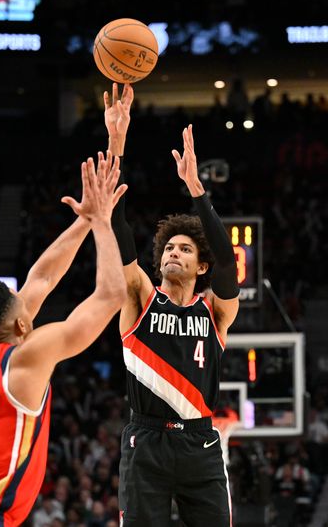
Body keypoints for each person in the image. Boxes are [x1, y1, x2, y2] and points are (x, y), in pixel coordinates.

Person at [0, 153, 127, 527]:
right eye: (25, 309)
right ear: (20, 325)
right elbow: (112, 295)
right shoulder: (25, 358)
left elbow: (43, 279)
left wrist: (84, 218)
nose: (30, 304)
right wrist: (102, 222)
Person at [104, 83, 240, 526]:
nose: (173, 254)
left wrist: (198, 192)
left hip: (201, 443)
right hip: (146, 440)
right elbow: (118, 227)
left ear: (202, 267)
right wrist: (116, 144)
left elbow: (226, 262)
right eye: (169, 248)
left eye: (185, 249)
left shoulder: (216, 313)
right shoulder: (141, 297)